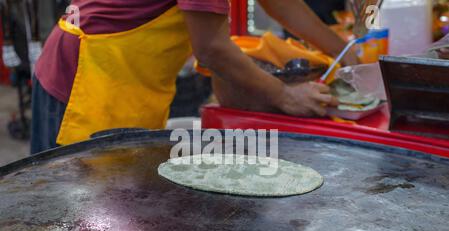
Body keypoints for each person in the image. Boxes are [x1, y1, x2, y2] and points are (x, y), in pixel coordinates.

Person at [31, 0, 359, 154]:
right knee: (78, 216)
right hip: (86, 79)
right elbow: (212, 48)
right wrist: (286, 95)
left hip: (127, 78)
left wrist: (347, 54)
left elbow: (282, 5)